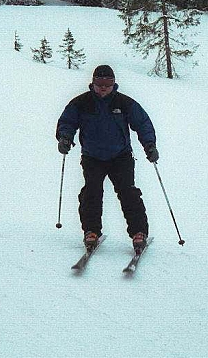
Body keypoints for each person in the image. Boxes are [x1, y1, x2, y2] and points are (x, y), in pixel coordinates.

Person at [56, 65, 159, 254]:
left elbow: (143, 123)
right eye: (100, 83)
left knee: (128, 193)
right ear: (93, 83)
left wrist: (149, 145)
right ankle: (91, 231)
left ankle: (139, 233)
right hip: (92, 157)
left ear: (114, 84)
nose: (103, 87)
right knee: (91, 193)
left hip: (121, 157)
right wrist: (65, 138)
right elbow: (67, 122)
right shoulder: (81, 103)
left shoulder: (124, 103)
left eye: (108, 83)